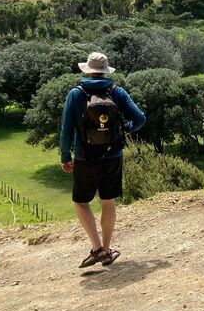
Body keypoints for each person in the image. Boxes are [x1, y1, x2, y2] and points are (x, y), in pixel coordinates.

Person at [59, 52, 146, 269]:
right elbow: (140, 119)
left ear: (87, 70)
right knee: (108, 202)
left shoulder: (76, 94)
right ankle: (106, 251)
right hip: (113, 155)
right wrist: (125, 130)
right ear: (106, 71)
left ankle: (96, 248)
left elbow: (66, 128)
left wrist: (65, 156)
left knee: (81, 202)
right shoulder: (117, 92)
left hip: (85, 156)